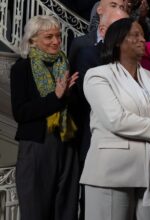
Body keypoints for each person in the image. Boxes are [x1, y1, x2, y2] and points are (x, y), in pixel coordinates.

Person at [80, 17, 150, 220]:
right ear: (118, 40)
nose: (142, 40)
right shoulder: (98, 75)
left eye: (143, 35)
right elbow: (117, 120)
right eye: (135, 35)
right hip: (112, 173)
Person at [10, 15, 79, 220]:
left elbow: (74, 108)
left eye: (58, 36)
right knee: (36, 211)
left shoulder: (64, 64)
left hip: (67, 143)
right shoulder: (21, 68)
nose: (56, 41)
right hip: (37, 146)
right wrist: (56, 97)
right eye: (49, 37)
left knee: (66, 209)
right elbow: (21, 113)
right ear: (32, 40)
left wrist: (67, 96)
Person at [72, 9, 128, 220]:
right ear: (103, 30)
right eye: (119, 27)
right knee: (93, 205)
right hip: (96, 138)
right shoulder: (89, 54)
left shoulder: (132, 58)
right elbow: (94, 102)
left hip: (124, 144)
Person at [69, 0, 126, 71]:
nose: (118, 10)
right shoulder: (80, 43)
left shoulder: (127, 45)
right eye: (113, 6)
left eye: (121, 7)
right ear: (99, 10)